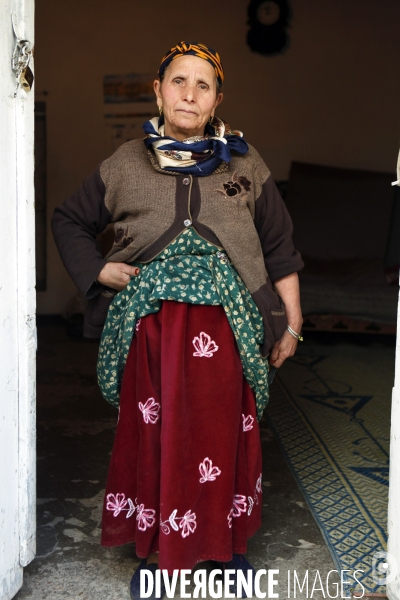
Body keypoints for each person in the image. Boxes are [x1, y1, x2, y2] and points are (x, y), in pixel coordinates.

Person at [52, 41, 303, 599]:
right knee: (157, 433)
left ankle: (226, 550)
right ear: (159, 91)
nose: (189, 93)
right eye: (178, 81)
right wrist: (99, 270)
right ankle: (160, 551)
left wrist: (291, 321)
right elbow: (68, 217)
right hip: (153, 334)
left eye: (203, 85)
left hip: (229, 332)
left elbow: (279, 246)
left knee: (225, 436)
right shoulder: (123, 163)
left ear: (217, 100)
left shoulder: (246, 163)